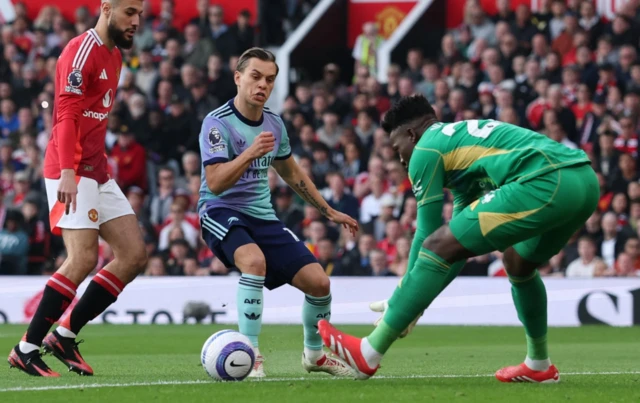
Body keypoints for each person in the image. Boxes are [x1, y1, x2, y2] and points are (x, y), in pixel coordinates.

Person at [319, 94, 599, 382]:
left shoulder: (426, 149)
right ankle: (539, 364)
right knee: (517, 263)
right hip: (584, 182)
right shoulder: (458, 151)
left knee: (438, 244)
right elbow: (454, 250)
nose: (401, 159)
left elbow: (429, 237)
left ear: (411, 134)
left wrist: (402, 298)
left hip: (547, 180)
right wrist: (411, 303)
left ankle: (369, 351)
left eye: (397, 147)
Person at [197, 47, 359, 378]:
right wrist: (249, 153)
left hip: (262, 216)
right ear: (238, 78)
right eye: (255, 77)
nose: (263, 85)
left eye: (269, 80)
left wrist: (329, 211)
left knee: (319, 283)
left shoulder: (274, 123)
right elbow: (214, 183)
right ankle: (251, 353)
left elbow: (293, 174)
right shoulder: (216, 123)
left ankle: (314, 355)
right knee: (253, 262)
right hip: (219, 209)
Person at [8, 0, 147, 377]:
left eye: (140, 14)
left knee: (134, 255)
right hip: (69, 168)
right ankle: (26, 348)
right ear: (106, 8)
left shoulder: (115, 57)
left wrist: (95, 168)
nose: (136, 21)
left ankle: (64, 335)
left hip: (96, 170)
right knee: (82, 257)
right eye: (129, 12)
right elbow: (66, 114)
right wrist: (69, 170)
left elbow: (94, 118)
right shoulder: (80, 51)